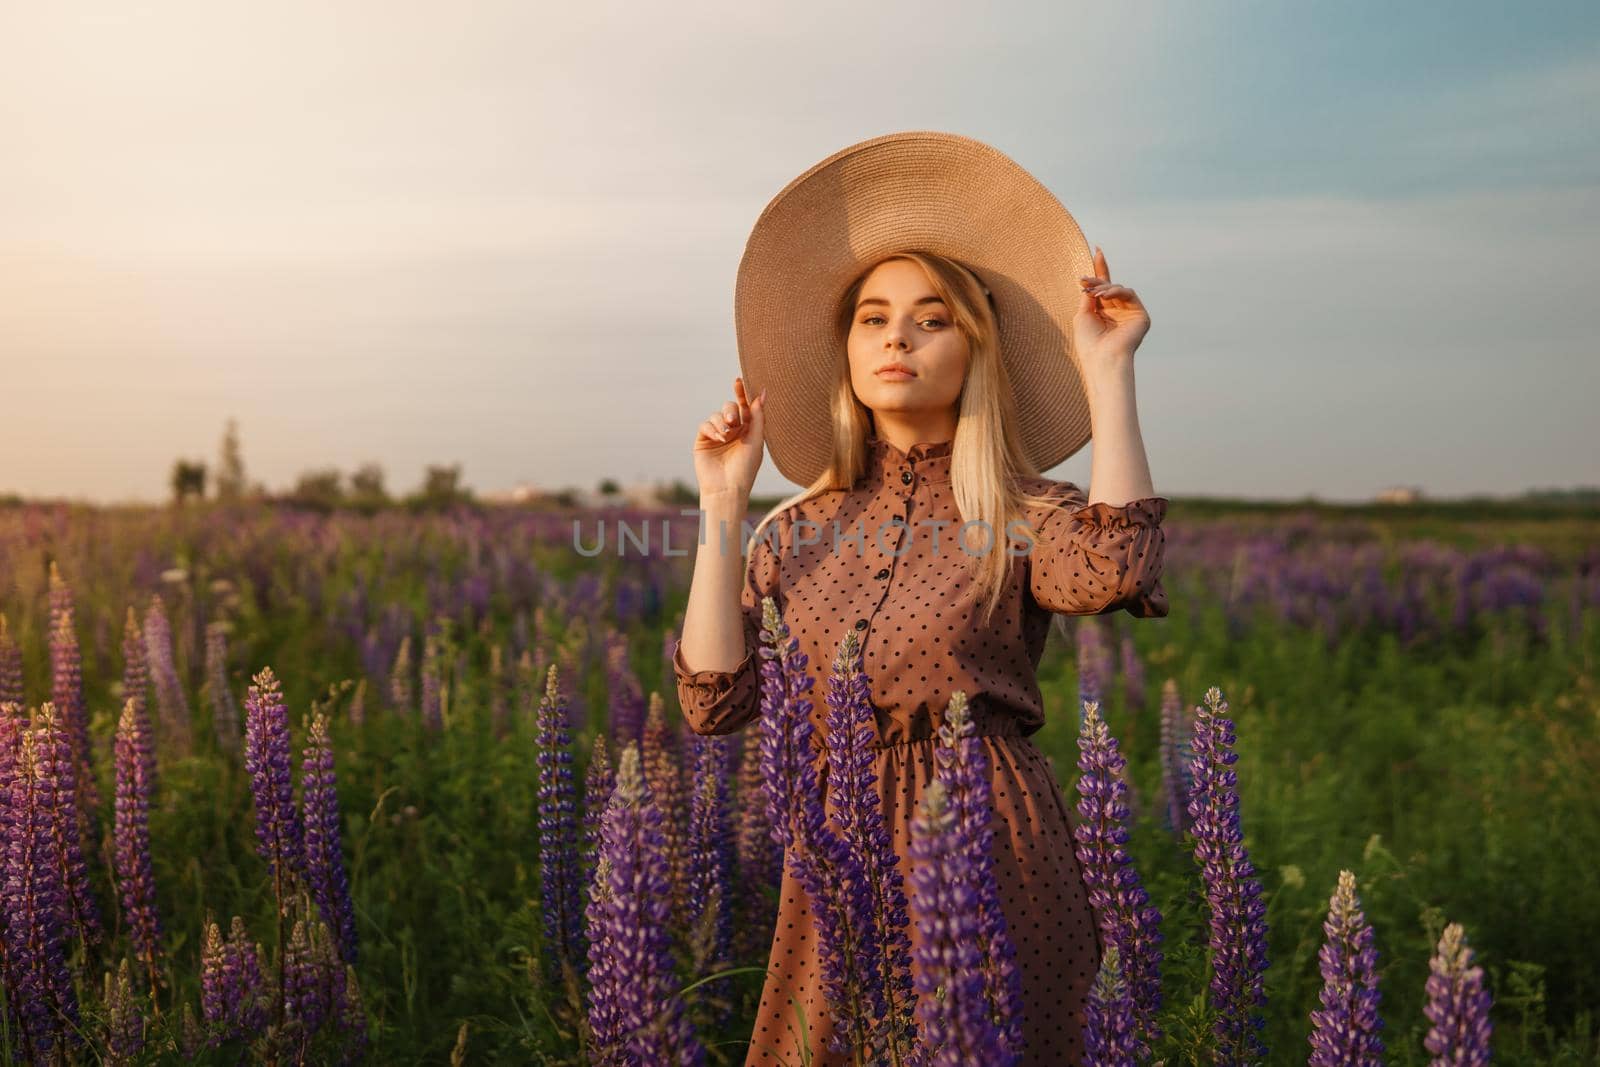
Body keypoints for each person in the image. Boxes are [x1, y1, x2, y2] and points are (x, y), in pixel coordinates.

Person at [673, 131, 1170, 1066]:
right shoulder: (792, 532)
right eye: (872, 316)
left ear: (973, 347)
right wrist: (724, 504)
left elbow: (1114, 568)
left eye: (932, 317)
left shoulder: (1023, 510)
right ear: (848, 350)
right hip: (838, 856)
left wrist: (1109, 372)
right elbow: (716, 701)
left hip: (993, 846)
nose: (897, 335)